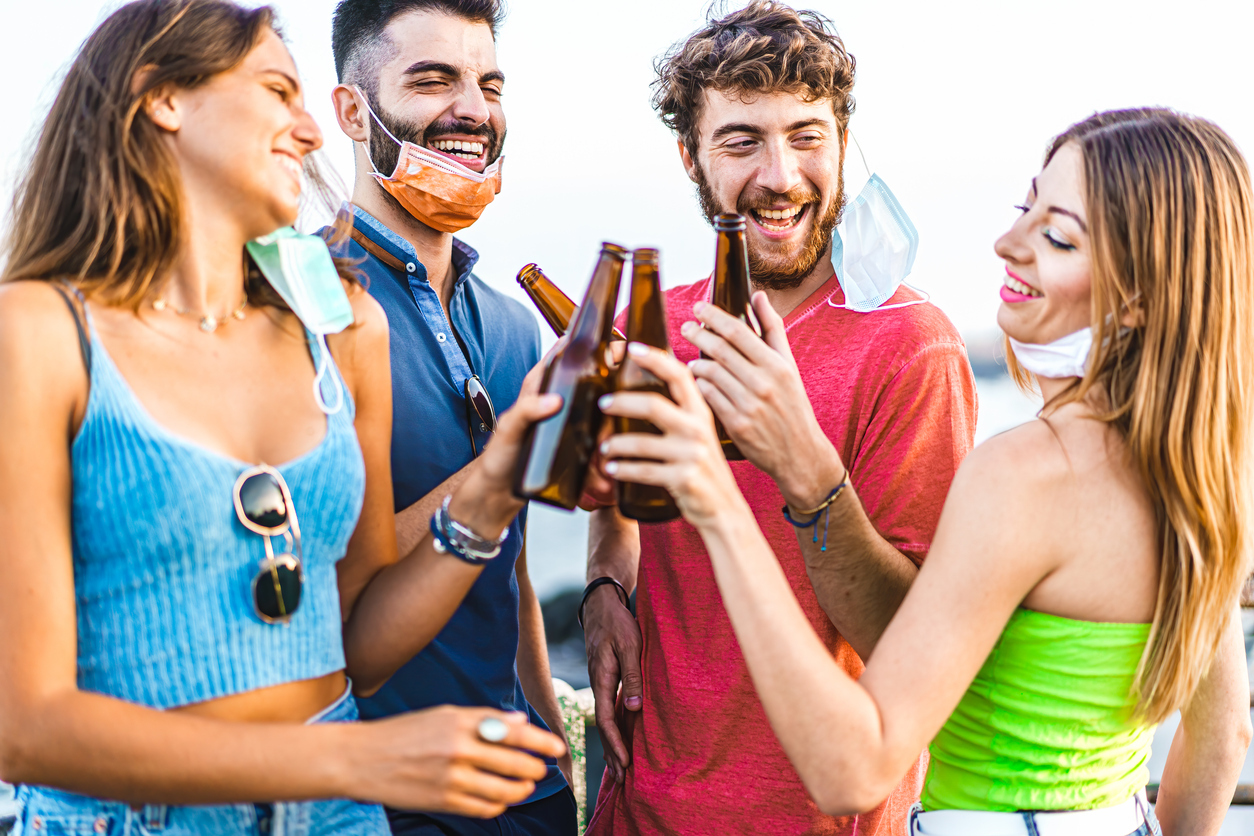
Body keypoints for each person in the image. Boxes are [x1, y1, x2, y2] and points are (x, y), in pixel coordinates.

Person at [597, 108, 1254, 836]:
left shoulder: (1023, 476)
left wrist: (716, 493)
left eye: (1058, 235)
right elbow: (1224, 736)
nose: (1007, 244)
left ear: (1139, 293)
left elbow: (851, 769)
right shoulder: (1203, 470)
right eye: (1025, 208)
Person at [0, 1, 565, 833]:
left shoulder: (344, 329)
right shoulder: (39, 334)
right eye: (278, 92)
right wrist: (358, 758)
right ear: (162, 99)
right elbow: (27, 728)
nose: (308, 131)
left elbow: (360, 643)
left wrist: (504, 477)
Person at [581, 2, 977, 833]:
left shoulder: (913, 349)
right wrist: (604, 582)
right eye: (741, 140)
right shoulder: (650, 328)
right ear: (690, 156)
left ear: (842, 143)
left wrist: (805, 467)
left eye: (806, 135)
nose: (780, 175)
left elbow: (911, 645)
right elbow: (613, 494)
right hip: (639, 810)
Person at [326, 1, 576, 834]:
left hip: (524, 789)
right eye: (433, 81)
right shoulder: (305, 306)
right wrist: (504, 461)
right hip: (377, 796)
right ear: (352, 113)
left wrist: (551, 734)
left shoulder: (512, 326)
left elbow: (513, 562)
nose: (472, 108)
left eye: (489, 83)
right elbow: (315, 587)